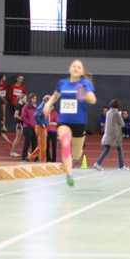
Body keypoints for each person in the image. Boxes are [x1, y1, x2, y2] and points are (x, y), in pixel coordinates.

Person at [43, 59, 97, 187]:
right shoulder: (62, 83)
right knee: (65, 143)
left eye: (79, 67)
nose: (76, 68)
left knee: (76, 154)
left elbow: (93, 100)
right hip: (64, 121)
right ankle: (69, 174)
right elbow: (55, 96)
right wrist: (48, 104)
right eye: (74, 66)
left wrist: (83, 94)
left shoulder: (84, 84)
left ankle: (77, 153)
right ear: (69, 69)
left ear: (82, 71)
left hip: (79, 122)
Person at [94, 99, 129, 171]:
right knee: (116, 149)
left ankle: (99, 163)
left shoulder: (108, 112)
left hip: (108, 134)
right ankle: (121, 166)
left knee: (110, 149)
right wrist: (120, 115)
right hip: (115, 135)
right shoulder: (116, 113)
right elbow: (122, 124)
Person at [28, 95, 50, 162]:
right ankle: (42, 161)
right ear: (46, 101)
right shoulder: (41, 107)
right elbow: (35, 115)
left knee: (42, 145)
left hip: (43, 127)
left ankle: (30, 158)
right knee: (43, 146)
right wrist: (42, 123)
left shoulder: (44, 106)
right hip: (41, 127)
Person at [20, 93, 38, 161]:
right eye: (33, 98)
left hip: (35, 127)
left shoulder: (36, 107)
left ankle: (35, 158)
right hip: (27, 127)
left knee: (35, 143)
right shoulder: (26, 106)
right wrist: (30, 123)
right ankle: (24, 158)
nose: (35, 100)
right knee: (27, 143)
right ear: (30, 99)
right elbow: (23, 117)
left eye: (35, 98)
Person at [9, 93, 27, 158]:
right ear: (21, 98)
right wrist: (24, 119)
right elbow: (15, 115)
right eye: (25, 98)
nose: (26, 99)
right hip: (19, 124)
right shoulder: (19, 105)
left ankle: (26, 151)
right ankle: (12, 152)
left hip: (22, 124)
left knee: (26, 137)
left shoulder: (23, 105)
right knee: (18, 138)